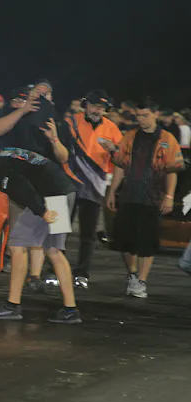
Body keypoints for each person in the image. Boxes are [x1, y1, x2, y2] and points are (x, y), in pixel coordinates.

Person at [0, 81, 81, 324]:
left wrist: (43, 211)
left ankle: (13, 305)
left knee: (17, 245)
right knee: (53, 250)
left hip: (46, 193)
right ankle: (70, 309)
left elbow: (22, 188)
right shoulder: (13, 124)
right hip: (61, 190)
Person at [106, 98, 185, 299]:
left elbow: (172, 170)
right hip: (129, 195)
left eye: (145, 115)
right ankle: (132, 275)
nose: (141, 119)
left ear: (155, 115)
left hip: (153, 197)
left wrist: (169, 196)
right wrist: (112, 191)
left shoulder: (167, 139)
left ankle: (141, 281)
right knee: (125, 240)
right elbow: (120, 165)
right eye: (138, 116)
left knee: (146, 242)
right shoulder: (130, 136)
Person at [62, 90, 122, 288]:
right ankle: (53, 270)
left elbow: (122, 159)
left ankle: (82, 273)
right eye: (94, 105)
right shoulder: (70, 122)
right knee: (59, 230)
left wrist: (114, 150)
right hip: (66, 183)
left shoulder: (112, 128)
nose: (97, 110)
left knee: (88, 235)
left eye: (101, 107)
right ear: (85, 105)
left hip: (95, 187)